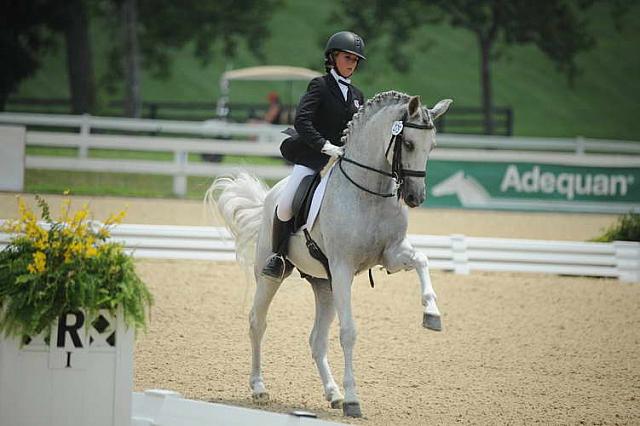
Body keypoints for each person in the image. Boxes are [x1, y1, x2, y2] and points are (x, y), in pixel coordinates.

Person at [262, 31, 366, 279]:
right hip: (314, 158)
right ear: (332, 57)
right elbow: (302, 121)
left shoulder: (358, 96)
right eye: (346, 57)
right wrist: (324, 145)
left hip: (343, 163)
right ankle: (278, 256)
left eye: (355, 59)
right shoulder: (320, 86)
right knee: (286, 204)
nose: (351, 63)